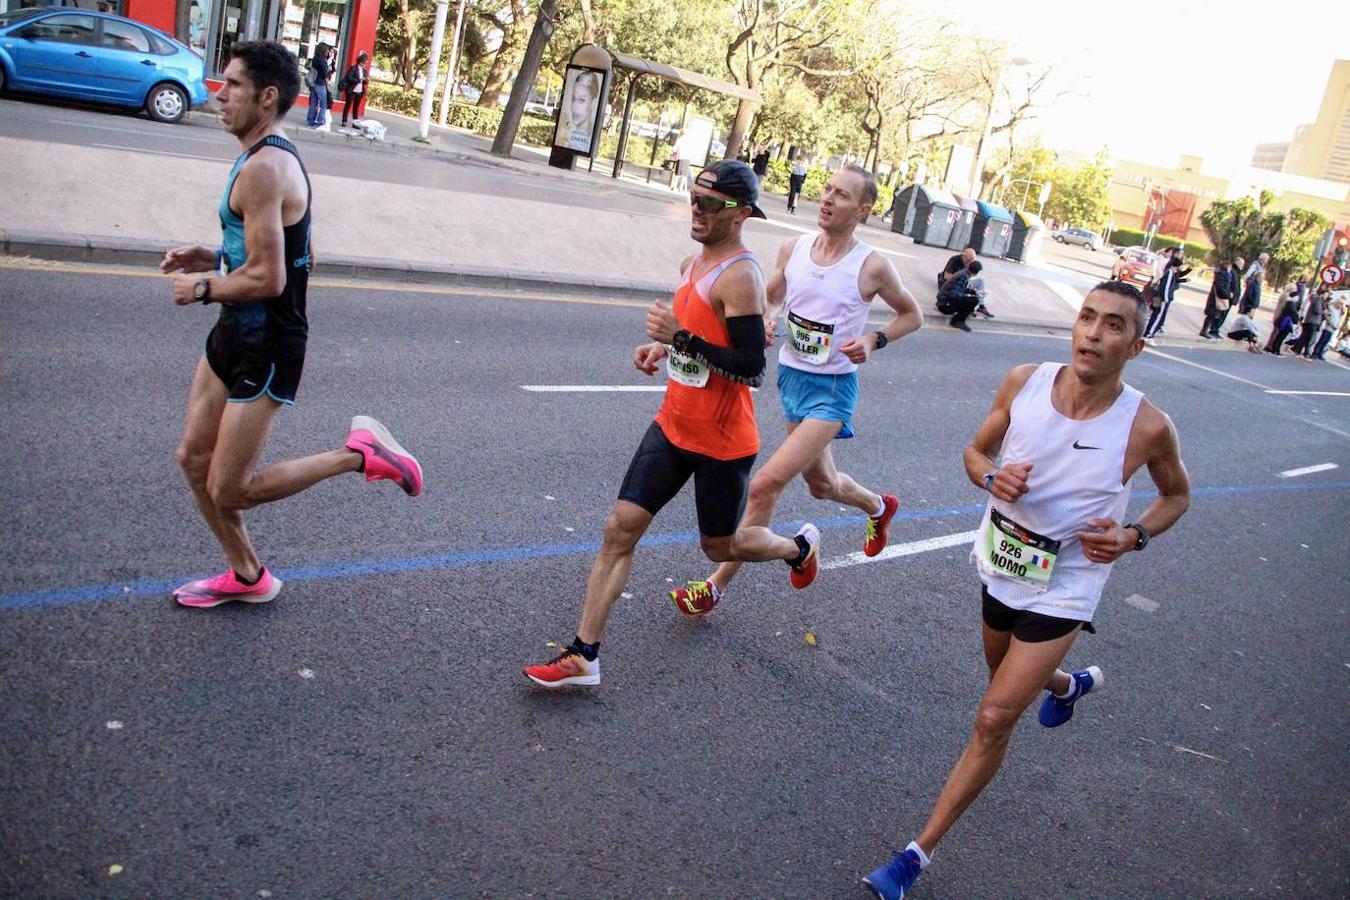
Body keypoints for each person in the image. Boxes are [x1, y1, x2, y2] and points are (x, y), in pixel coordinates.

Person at [863, 280, 1191, 899]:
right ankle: (1066, 684)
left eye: (1113, 325)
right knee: (1004, 674)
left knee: (993, 716)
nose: (1093, 333)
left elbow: (1177, 496)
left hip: (1067, 582)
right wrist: (992, 477)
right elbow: (973, 451)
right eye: (1087, 318)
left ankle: (915, 854)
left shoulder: (1147, 426)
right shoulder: (1024, 381)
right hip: (1004, 561)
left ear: (1137, 346)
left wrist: (1133, 536)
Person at [160, 41, 422, 609]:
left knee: (232, 489)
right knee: (193, 460)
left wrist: (204, 288)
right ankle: (248, 575)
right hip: (235, 331)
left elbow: (272, 280)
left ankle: (360, 455)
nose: (220, 93)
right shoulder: (263, 156)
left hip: (269, 343)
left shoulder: (265, 168)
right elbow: (285, 253)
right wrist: (210, 256)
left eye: (232, 85)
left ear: (267, 96)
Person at [524, 161, 797, 688]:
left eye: (710, 203)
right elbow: (695, 337)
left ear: (740, 215)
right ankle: (584, 655)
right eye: (694, 197)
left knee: (719, 548)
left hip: (721, 443)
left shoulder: (742, 275)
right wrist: (662, 347)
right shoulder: (692, 263)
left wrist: (682, 340)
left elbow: (751, 367)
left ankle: (794, 548)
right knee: (618, 529)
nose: (696, 208)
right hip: (672, 427)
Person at [667, 164, 923, 616]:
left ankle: (715, 586)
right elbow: (770, 297)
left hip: (833, 390)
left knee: (766, 484)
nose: (827, 199)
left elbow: (911, 315)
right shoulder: (794, 247)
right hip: (793, 379)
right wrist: (764, 319)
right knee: (822, 485)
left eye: (842, 195)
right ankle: (878, 506)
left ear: (862, 209)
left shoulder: (872, 265)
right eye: (827, 190)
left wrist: (872, 339)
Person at [1141, 253, 1181, 344]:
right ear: (1176, 266)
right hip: (1162, 298)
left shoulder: (1166, 271)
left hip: (1158, 296)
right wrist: (1166, 299)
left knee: (1154, 314)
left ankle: (1148, 333)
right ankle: (1149, 335)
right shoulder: (1170, 273)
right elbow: (1166, 287)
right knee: (1157, 316)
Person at [559, 71, 601, 153]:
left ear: (593, 102)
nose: (575, 107)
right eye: (573, 99)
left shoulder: (590, 142)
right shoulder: (564, 134)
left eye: (582, 100)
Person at [1200, 257, 1241, 339]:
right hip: (1217, 298)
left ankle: (1207, 330)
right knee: (1211, 315)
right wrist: (1228, 294)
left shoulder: (1226, 275)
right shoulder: (1221, 275)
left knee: (1214, 315)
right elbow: (1220, 287)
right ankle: (1205, 331)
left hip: (1220, 298)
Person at [938, 259, 983, 332]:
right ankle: (958, 321)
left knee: (971, 300)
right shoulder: (964, 276)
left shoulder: (964, 272)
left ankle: (960, 317)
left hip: (944, 301)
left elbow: (960, 289)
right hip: (944, 304)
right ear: (976, 272)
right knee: (974, 301)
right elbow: (954, 296)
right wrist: (968, 301)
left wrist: (974, 292)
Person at [1264, 285, 1302, 355]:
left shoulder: (1286, 297)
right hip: (1282, 317)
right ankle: (1271, 347)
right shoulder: (1287, 298)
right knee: (1278, 333)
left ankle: (1271, 346)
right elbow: (1289, 310)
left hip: (1280, 316)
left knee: (1276, 332)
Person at [339, 51, 370, 129]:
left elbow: (365, 82)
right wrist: (358, 79)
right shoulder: (353, 68)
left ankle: (355, 123)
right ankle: (344, 121)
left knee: (356, 108)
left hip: (359, 91)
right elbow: (349, 77)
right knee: (348, 105)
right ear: (361, 62)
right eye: (365, 63)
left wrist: (366, 80)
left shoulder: (364, 71)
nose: (365, 65)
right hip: (352, 90)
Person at [1291, 287, 1325, 357]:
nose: (1326, 296)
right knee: (1308, 337)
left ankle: (1297, 349)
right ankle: (1305, 351)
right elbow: (1317, 311)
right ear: (1322, 294)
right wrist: (1323, 311)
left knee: (1304, 336)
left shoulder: (1316, 300)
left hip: (1309, 320)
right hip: (1312, 321)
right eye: (1326, 294)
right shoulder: (1318, 300)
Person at [305, 43, 331, 129]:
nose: (328, 52)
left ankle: (310, 121)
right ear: (324, 50)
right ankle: (319, 122)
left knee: (313, 103)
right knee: (324, 105)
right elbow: (324, 73)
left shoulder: (315, 59)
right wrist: (327, 81)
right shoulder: (323, 61)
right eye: (327, 50)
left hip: (313, 83)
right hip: (321, 84)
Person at [1311, 293, 1343, 360]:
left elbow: (1338, 319)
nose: (1341, 305)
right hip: (1328, 327)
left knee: (1326, 342)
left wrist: (1337, 326)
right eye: (1340, 304)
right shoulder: (1331, 309)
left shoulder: (1339, 311)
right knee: (1322, 341)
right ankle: (1315, 353)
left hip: (1333, 329)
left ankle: (1320, 353)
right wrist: (1332, 325)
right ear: (1337, 303)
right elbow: (1328, 317)